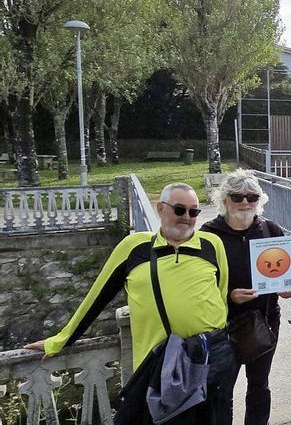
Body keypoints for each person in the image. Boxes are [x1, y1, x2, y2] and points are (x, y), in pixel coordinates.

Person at [25, 182, 236, 424]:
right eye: (180, 210)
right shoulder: (134, 247)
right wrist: (61, 340)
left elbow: (221, 293)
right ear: (161, 209)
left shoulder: (211, 244)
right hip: (160, 365)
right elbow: (97, 297)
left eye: (194, 212)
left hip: (211, 356)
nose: (187, 218)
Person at [201, 170, 291, 425]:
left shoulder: (270, 229)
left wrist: (286, 287)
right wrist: (229, 297)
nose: (244, 202)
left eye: (251, 196)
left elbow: (283, 270)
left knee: (259, 386)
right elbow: (199, 285)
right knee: (222, 390)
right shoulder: (208, 234)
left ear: (259, 199)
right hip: (224, 326)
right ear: (225, 200)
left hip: (263, 322)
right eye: (237, 196)